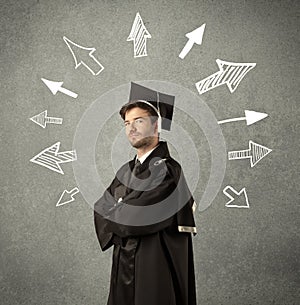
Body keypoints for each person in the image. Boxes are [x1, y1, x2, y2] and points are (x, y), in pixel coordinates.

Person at [94, 82, 197, 305]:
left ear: (156, 125)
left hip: (154, 263)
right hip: (123, 264)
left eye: (138, 121)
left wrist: (119, 209)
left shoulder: (168, 170)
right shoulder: (125, 170)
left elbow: (139, 216)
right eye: (126, 123)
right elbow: (101, 209)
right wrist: (123, 210)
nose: (131, 128)